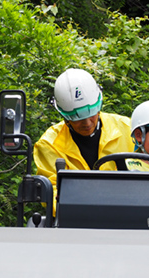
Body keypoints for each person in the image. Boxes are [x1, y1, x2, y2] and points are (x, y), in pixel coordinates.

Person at [33, 68, 135, 200]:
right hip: (75, 216)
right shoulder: (49, 145)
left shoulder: (128, 129)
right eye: (77, 118)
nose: (87, 123)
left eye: (91, 113)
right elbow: (49, 192)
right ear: (64, 116)